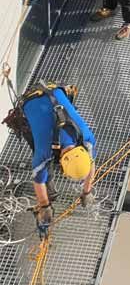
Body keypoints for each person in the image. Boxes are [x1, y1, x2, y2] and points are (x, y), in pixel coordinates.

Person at [4, 83, 96, 239]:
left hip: (52, 88)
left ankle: (50, 196)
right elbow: (38, 181)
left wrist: (87, 192)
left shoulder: (87, 140)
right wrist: (45, 206)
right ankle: (51, 195)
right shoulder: (44, 152)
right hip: (30, 99)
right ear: (62, 161)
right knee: (43, 168)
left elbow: (91, 165)